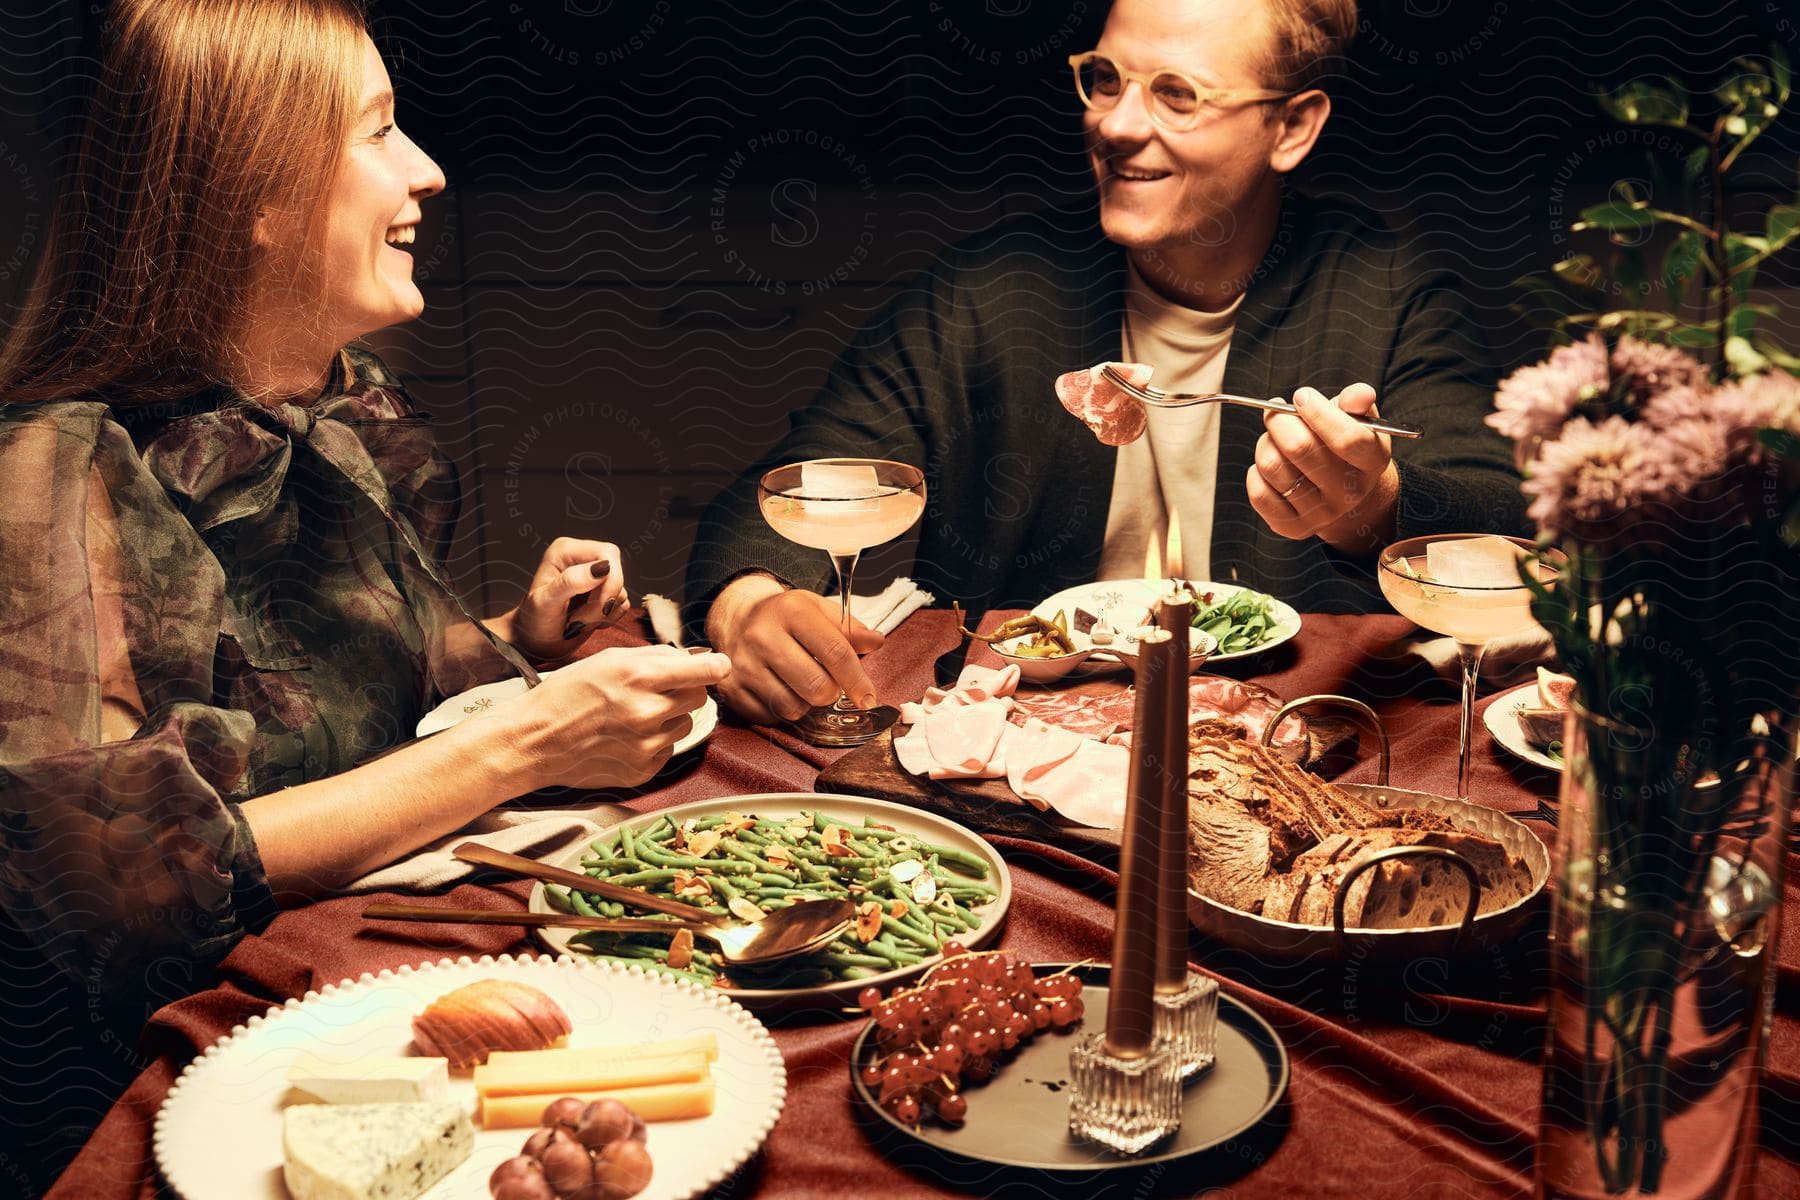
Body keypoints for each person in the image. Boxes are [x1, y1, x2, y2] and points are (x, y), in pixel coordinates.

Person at [0, 0, 729, 1185]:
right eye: (379, 133)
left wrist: (521, 639)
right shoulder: (47, 482)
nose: (427, 172)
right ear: (257, 195)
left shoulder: (337, 409)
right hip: (182, 1088)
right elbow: (138, 882)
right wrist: (527, 743)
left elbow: (323, 710)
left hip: (373, 980)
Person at [685, 0, 1526, 726]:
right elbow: (796, 483)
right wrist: (749, 599)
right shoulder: (989, 291)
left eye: (1178, 94)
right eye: (1107, 79)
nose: (1117, 125)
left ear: (1292, 126)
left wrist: (1373, 507)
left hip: (1293, 739)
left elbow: (1506, 529)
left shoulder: (1388, 292)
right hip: (1019, 736)